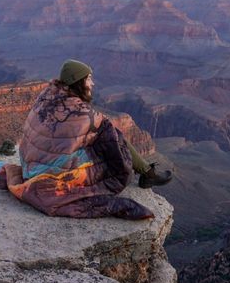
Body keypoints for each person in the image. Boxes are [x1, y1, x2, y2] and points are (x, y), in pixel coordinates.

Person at [19, 59, 173, 188]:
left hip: (29, 165)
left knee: (102, 134)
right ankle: (148, 174)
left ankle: (147, 172)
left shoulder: (48, 96)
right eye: (88, 78)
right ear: (78, 82)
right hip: (46, 174)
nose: (92, 83)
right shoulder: (79, 112)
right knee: (113, 136)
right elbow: (108, 131)